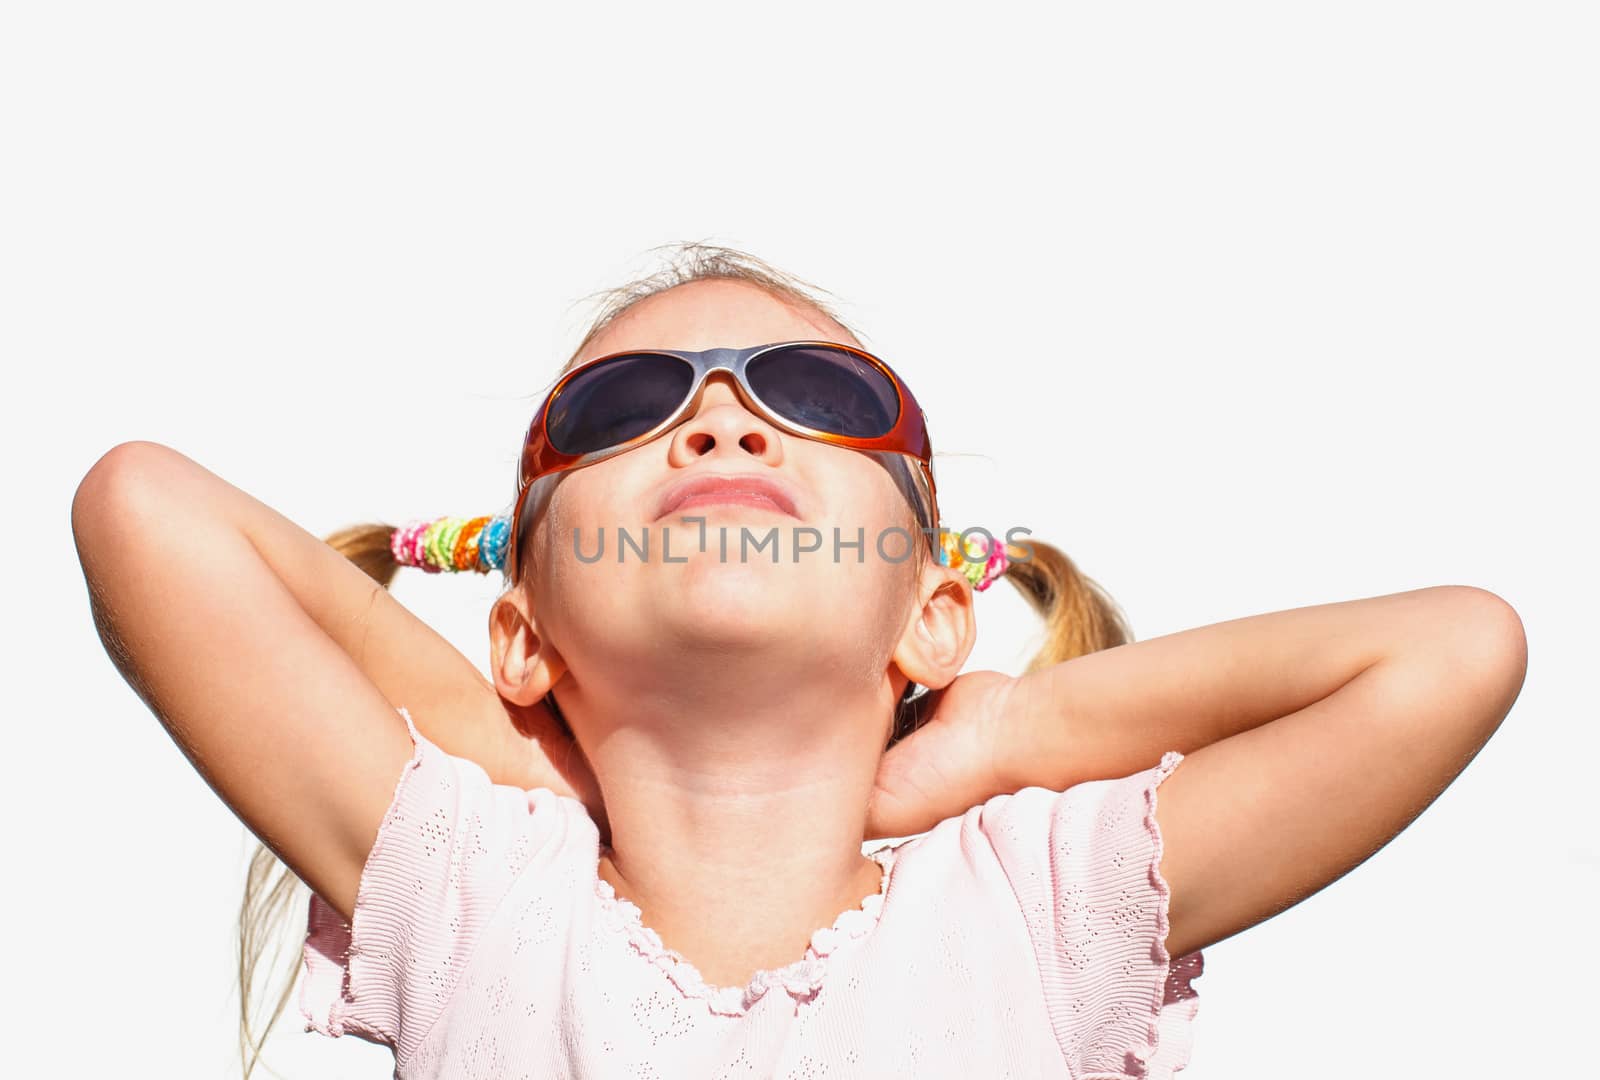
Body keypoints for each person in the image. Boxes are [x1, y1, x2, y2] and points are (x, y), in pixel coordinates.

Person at [71, 243, 1526, 1079]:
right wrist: (499, 724)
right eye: (622, 407)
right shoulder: (473, 886)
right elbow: (144, 511)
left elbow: (1451, 654)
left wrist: (1014, 734)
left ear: (928, 616)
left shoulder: (1033, 900)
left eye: (820, 397)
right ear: (524, 628)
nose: (720, 422)